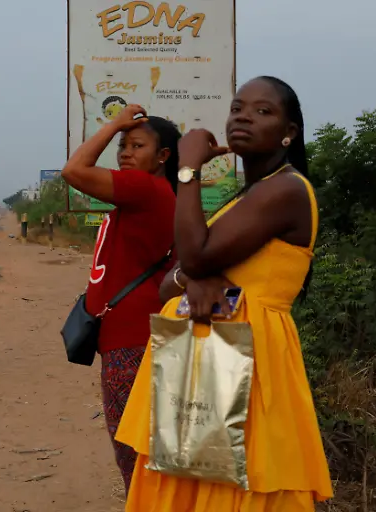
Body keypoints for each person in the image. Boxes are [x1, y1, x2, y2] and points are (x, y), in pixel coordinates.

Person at [116, 77, 333, 511]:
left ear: (289, 132)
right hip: (203, 362)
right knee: (191, 486)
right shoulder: (246, 196)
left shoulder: (285, 190)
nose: (244, 117)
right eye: (237, 108)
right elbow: (169, 282)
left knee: (240, 484)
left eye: (263, 111)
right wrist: (193, 277)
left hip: (250, 363)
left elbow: (193, 257)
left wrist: (188, 168)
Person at [61, 105, 179, 492]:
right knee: (139, 443)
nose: (125, 152)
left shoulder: (146, 188)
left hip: (132, 342)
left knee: (133, 448)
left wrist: (113, 124)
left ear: (163, 157)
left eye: (136, 145)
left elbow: (73, 171)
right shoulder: (150, 194)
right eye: (122, 145)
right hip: (130, 338)